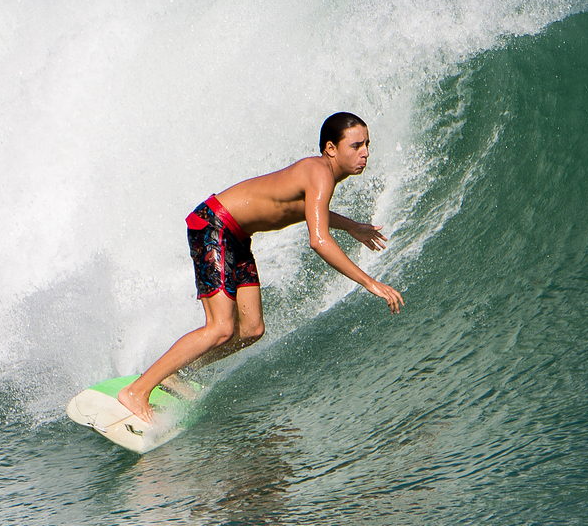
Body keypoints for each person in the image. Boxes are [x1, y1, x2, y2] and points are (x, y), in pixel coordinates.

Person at [117, 112, 403, 424]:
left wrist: (350, 226)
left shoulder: (321, 176)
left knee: (252, 329)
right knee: (221, 328)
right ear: (331, 149)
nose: (365, 153)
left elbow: (302, 209)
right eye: (356, 146)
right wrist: (370, 283)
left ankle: (175, 374)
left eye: (367, 144)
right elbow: (318, 240)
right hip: (214, 225)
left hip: (236, 236)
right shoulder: (319, 172)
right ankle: (137, 391)